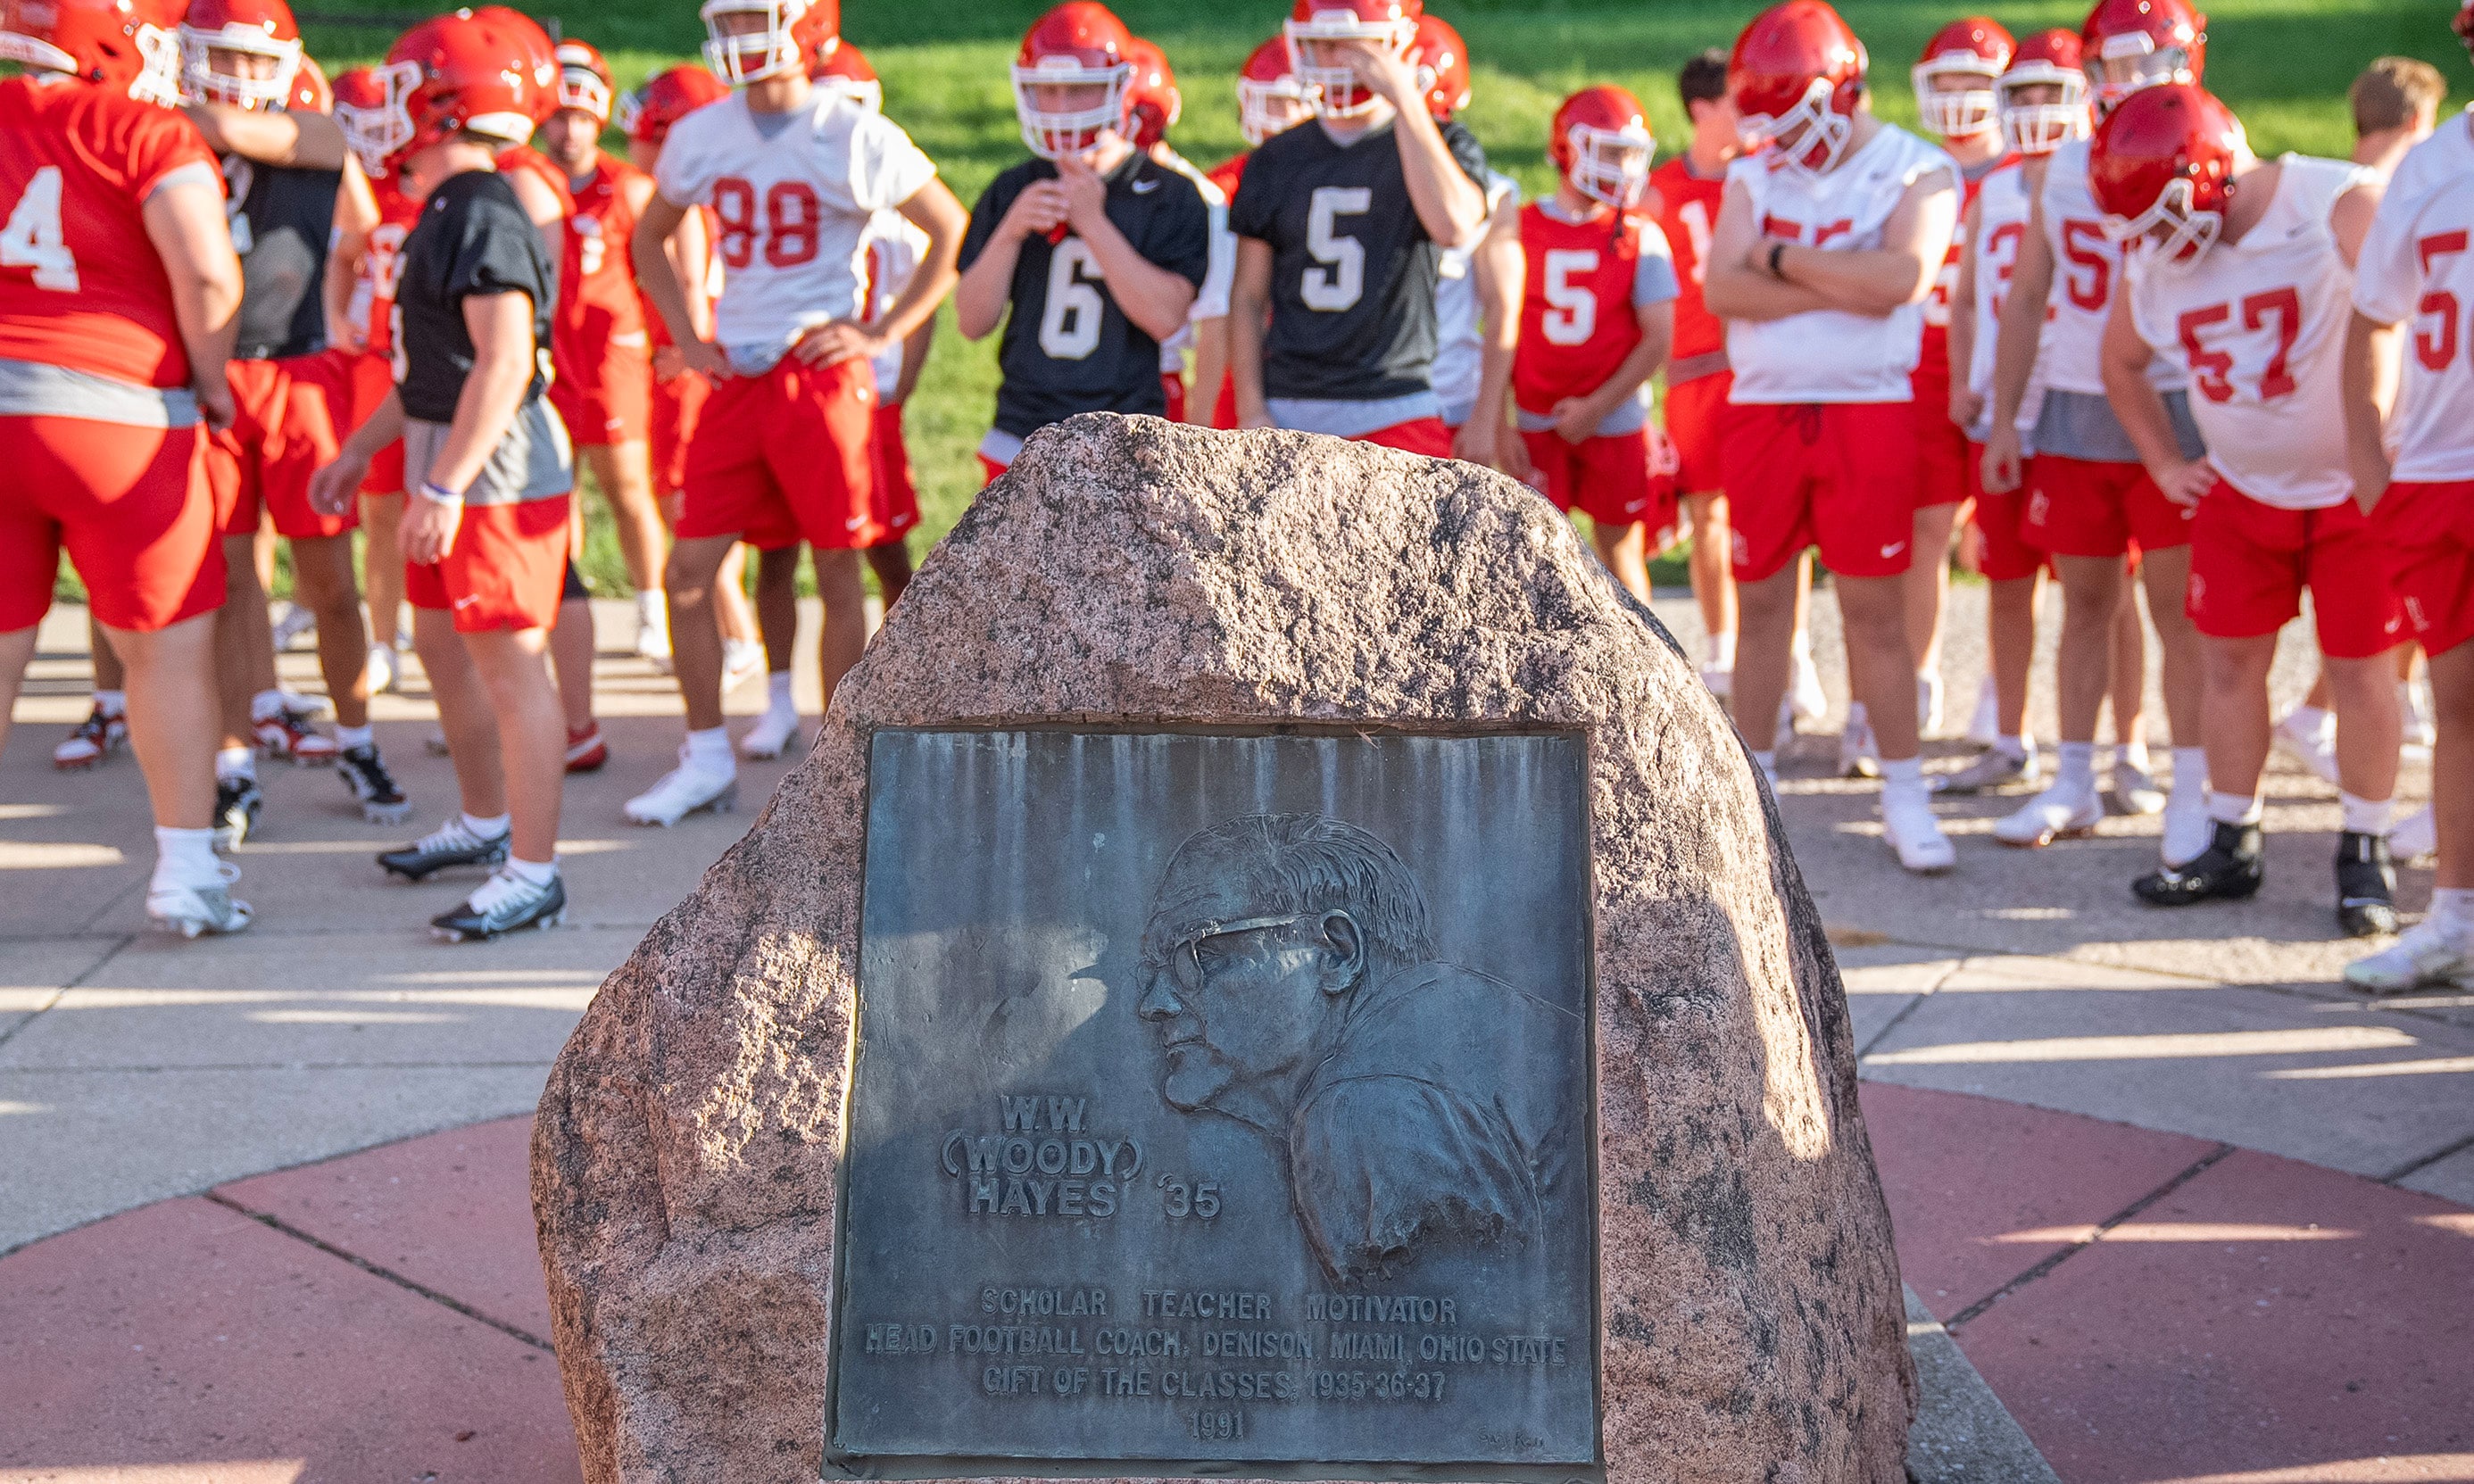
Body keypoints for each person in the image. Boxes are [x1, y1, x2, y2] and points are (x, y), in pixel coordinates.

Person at [623, 0, 965, 826]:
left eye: (756, 18)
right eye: (730, 20)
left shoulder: (850, 130)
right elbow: (649, 239)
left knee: (836, 566)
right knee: (689, 571)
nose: (740, 37)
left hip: (819, 378)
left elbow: (948, 230)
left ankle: (838, 763)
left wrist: (880, 328)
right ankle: (705, 753)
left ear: (808, 25)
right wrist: (688, 335)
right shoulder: (704, 130)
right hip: (738, 376)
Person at [2089, 86, 2400, 935]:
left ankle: (2365, 849)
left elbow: (2411, 315)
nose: (2153, 241)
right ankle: (2232, 836)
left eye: (2160, 214)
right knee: (2228, 667)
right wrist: (2164, 460)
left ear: (2209, 172)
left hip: (2352, 489)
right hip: (2239, 486)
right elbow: (2120, 361)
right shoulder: (2161, 250)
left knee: (2363, 670)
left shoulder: (2338, 203)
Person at [306, 7, 577, 941]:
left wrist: (447, 483)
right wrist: (359, 451)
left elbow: (502, 364)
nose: (385, 109)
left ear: (450, 103)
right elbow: (431, 370)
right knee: (437, 643)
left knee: (510, 664)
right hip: (444, 444)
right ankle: (485, 818)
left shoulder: (485, 208)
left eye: (400, 90)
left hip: (491, 465)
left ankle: (533, 872)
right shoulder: (447, 207)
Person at [0, 0, 251, 933]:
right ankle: (186, 875)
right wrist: (214, 379)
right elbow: (211, 273)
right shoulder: (143, 126)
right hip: (117, 413)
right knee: (167, 651)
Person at [1702, 0, 1960, 873]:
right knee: (1762, 602)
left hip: (1867, 406)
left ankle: (1905, 788)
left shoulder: (1917, 169)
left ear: (1838, 89)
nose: (1779, 138)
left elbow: (1901, 277)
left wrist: (1778, 260)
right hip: (1767, 406)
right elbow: (1722, 290)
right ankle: (1752, 782)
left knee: (1874, 610)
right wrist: (1837, 279)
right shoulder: (1755, 171)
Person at [1133, 812, 1582, 1285]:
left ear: (1337, 954)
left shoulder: (1365, 1102)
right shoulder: (1457, 1032)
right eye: (1153, 970)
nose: (1154, 1004)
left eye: (1197, 955)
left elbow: (1441, 1347)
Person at [1979, 0, 2208, 857]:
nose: (2135, 83)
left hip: (2173, 396)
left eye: (2153, 62)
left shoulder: (2217, 141)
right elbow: (2028, 297)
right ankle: (2074, 776)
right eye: (2117, 64)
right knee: (2084, 602)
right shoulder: (2067, 167)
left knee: (2179, 608)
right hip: (2076, 403)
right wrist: (2006, 417)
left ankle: (2187, 781)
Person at [178, 0, 409, 842]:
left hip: (297, 373)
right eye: (218, 57)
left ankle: (356, 737)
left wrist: (183, 112)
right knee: (231, 582)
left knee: (331, 586)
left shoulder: (314, 132)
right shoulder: (170, 135)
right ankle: (233, 763)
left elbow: (248, 132)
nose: (234, 76)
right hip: (208, 375)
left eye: (249, 59)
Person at [2273, 54, 2445, 786]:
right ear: (2416, 120)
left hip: (2349, 417)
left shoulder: (2323, 187)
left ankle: (2347, 708)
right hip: (2390, 419)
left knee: (2397, 598)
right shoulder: (2380, 194)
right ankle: (2322, 714)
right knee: (2397, 593)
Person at [2343, 39, 2474, 987]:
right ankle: (2458, 913)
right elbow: (2374, 311)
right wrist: (2367, 451)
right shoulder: (2430, 163)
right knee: (2459, 702)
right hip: (2435, 464)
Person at [955, 3, 1209, 482]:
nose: (1062, 106)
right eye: (1047, 91)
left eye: (1080, 91)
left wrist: (1093, 222)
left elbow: (1166, 318)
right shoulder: (1013, 188)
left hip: (1128, 435)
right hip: (1021, 432)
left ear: (1118, 90)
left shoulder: (1168, 193)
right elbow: (971, 320)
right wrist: (1010, 232)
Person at [1226, 0, 1490, 454]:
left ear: (1398, 46)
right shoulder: (1274, 159)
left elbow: (1456, 227)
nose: (1336, 60)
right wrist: (1252, 409)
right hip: (1291, 402)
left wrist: (1406, 100)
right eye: (1323, 45)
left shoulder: (1443, 143)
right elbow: (1248, 298)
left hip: (1397, 401)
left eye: (1354, 45)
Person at [1935, 29, 2084, 797]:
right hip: (2002, 405)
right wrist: (1966, 376)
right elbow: (1965, 300)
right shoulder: (1994, 187)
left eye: (2048, 93)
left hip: (2077, 403)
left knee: (2099, 592)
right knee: (2005, 577)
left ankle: (2118, 746)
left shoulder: (2099, 177)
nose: (2031, 110)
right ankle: (2010, 733)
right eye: (2018, 94)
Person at [617, 62, 770, 703]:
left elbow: (695, 297)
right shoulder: (712, 196)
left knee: (691, 515)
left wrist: (686, 346)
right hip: (691, 371)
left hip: (688, 379)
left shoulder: (686, 207)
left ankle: (739, 637)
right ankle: (739, 636)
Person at [1513, 85, 1678, 601]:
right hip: (1536, 417)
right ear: (1569, 149)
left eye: (1630, 155)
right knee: (1529, 562)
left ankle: (1648, 671)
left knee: (1622, 553)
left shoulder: (1641, 235)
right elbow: (1496, 332)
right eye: (1611, 153)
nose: (1623, 169)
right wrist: (1499, 424)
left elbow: (1658, 341)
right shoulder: (1520, 227)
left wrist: (1597, 406)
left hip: (1615, 418)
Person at [541, 38, 673, 673]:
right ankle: (558, 600)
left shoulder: (628, 187)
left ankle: (651, 604)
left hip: (608, 360)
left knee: (627, 488)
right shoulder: (526, 183)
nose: (566, 131)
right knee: (551, 490)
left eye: (579, 117)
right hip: (545, 356)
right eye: (556, 116)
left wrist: (664, 341)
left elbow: (660, 272)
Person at [1907, 17, 2014, 740]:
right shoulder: (1910, 169)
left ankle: (2001, 696)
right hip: (1923, 366)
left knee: (2007, 549)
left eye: (1975, 81)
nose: (1959, 96)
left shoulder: (2028, 172)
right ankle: (1918, 678)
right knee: (1924, 531)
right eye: (1946, 81)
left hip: (2007, 368)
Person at [330, 63, 425, 701]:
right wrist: (337, 315)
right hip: (378, 362)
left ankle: (447, 634)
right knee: (383, 509)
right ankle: (386, 639)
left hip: (437, 365)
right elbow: (345, 252)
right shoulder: (369, 191)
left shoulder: (440, 185)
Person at [1410, 15, 1522, 475]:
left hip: (1450, 400)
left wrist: (1486, 417)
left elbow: (1503, 309)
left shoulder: (1492, 194)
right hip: (1367, 399)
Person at [1184, 36, 1308, 430]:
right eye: (1274, 101)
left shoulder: (1345, 177)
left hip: (1321, 366)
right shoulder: (1222, 190)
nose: (1285, 115)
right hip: (1239, 365)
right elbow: (1217, 316)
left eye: (1298, 101)